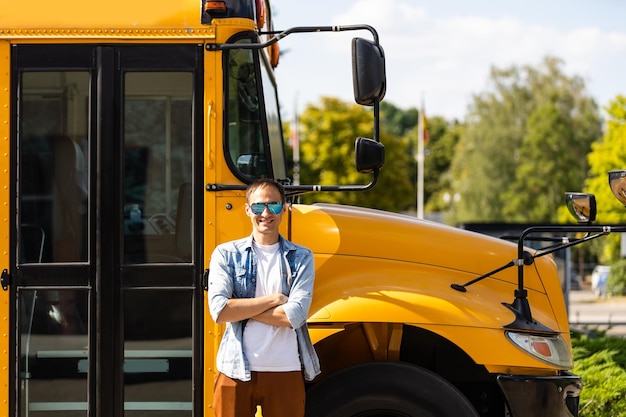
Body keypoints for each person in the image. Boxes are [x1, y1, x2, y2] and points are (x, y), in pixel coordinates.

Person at [208, 178, 321, 417]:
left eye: (274, 206)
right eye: (259, 207)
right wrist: (274, 300)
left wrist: (240, 307)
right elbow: (219, 311)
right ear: (248, 209)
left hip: (285, 369)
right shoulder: (226, 254)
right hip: (235, 369)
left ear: (285, 208)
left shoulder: (302, 257)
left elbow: (295, 316)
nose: (266, 213)